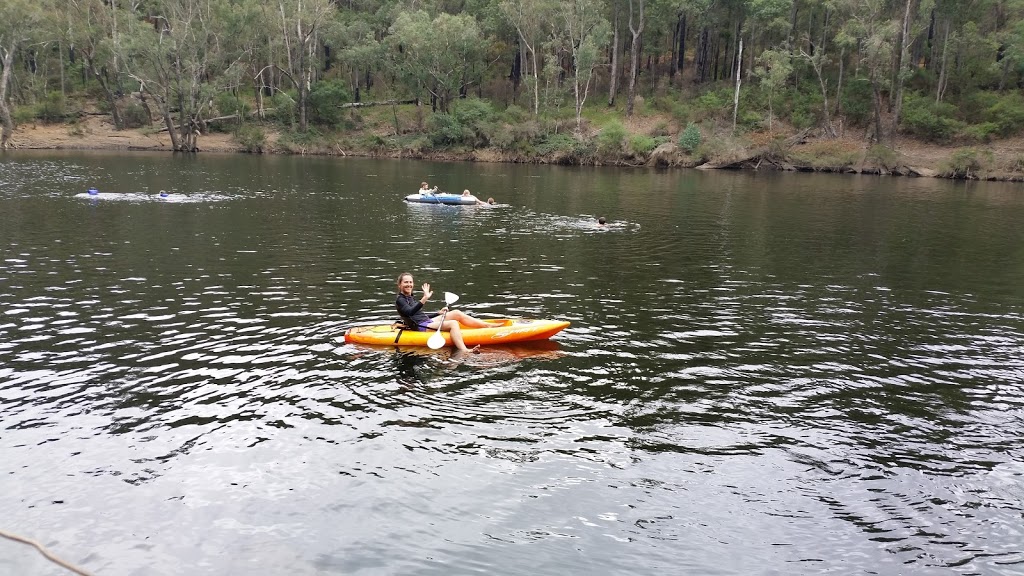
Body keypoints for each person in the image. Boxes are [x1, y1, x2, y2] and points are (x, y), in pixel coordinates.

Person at [394, 272, 499, 352]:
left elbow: (419, 315)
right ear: (399, 285)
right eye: (406, 282)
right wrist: (425, 298)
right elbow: (410, 313)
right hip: (420, 326)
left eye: (410, 282)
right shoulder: (400, 299)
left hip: (425, 321)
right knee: (453, 323)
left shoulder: (409, 297)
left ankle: (486, 326)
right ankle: (465, 350)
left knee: (456, 313)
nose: (409, 284)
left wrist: (438, 313)